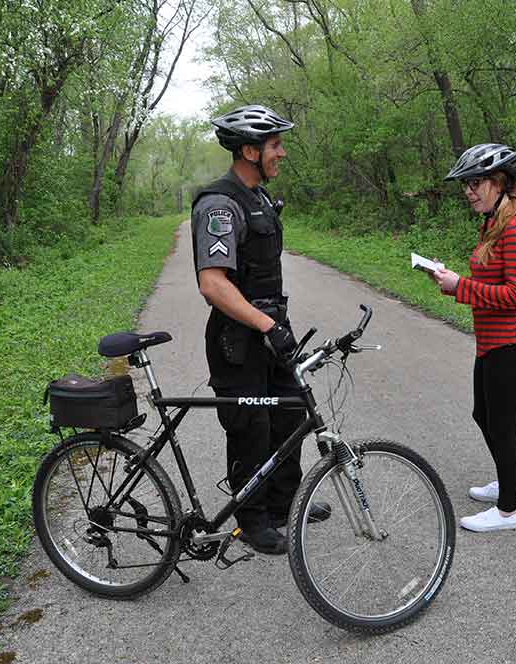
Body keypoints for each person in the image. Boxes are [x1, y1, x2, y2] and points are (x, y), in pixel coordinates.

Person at [191, 104, 327, 554]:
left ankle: (284, 503)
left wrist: (275, 326)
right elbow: (212, 283)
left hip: (271, 332)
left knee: (290, 415)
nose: (282, 153)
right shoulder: (219, 203)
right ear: (249, 150)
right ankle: (251, 518)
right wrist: (266, 324)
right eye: (274, 145)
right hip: (239, 341)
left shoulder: (260, 198)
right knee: (251, 427)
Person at [429, 143, 516, 533]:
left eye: (475, 182)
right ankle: (506, 484)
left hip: (514, 345)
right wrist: (451, 281)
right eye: (466, 184)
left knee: (502, 426)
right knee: (485, 416)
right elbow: (489, 281)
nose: (468, 190)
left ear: (499, 183)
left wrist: (459, 285)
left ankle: (508, 510)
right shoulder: (495, 224)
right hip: (493, 343)